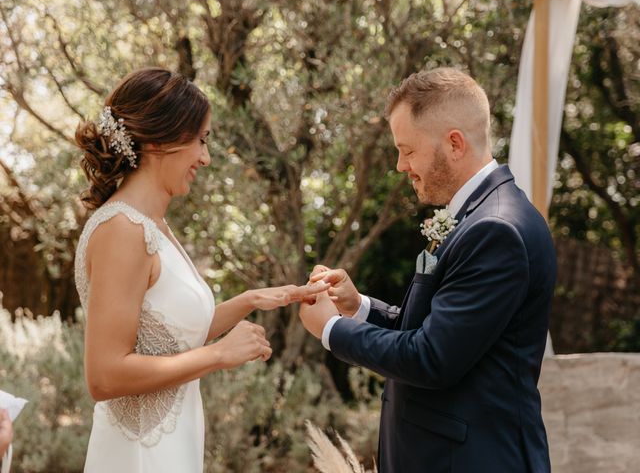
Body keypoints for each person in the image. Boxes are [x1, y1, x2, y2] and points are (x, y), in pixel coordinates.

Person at [299, 67, 555, 472]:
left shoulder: (496, 229)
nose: (401, 165)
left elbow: (432, 357)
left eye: (408, 150)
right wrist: (359, 306)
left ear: (454, 143)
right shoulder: (475, 216)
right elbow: (437, 328)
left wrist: (332, 329)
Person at [74, 67, 328, 473]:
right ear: (161, 139)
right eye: (201, 140)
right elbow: (104, 375)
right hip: (139, 455)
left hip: (175, 445)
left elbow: (166, 340)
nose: (205, 157)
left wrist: (250, 301)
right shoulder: (122, 229)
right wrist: (218, 355)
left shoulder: (154, 225)